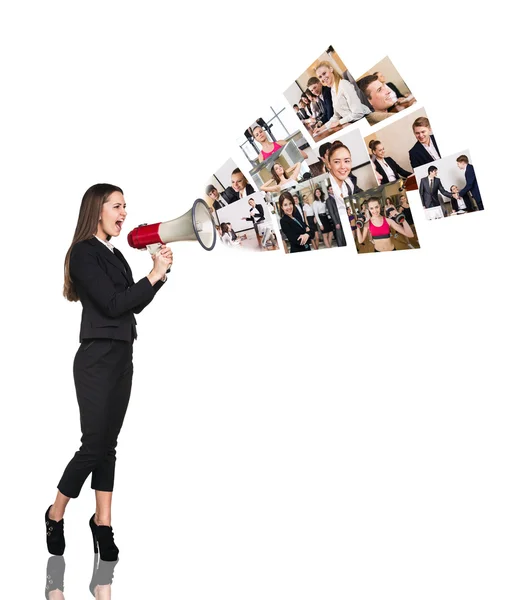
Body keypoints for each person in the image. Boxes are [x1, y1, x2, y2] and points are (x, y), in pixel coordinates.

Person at [45, 184, 173, 561]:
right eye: (117, 206)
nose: (124, 213)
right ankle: (55, 514)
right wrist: (152, 274)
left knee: (108, 446)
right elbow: (115, 304)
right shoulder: (83, 253)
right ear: (96, 210)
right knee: (94, 445)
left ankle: (102, 524)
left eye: (125, 206)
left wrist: (159, 276)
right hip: (96, 359)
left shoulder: (115, 255)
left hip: (122, 356)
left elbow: (134, 306)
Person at [313, 61, 370, 133]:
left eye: (324, 73)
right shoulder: (332, 90)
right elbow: (336, 116)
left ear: (331, 69)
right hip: (352, 122)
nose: (323, 78)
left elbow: (358, 113)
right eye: (320, 77)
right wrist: (321, 128)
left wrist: (340, 122)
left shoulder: (343, 84)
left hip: (365, 119)